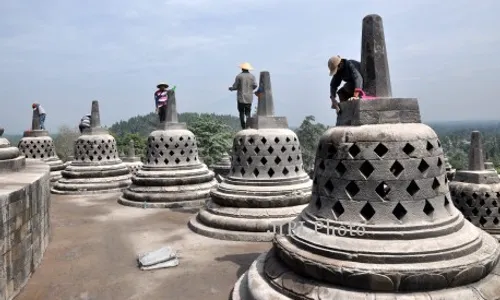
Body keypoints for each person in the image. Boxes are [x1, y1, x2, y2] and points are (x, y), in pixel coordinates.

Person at [229, 62, 257, 129]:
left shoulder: (239, 76)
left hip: (241, 97)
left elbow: (235, 86)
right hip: (249, 97)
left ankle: (243, 126)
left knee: (241, 112)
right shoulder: (252, 76)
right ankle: (248, 125)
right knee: (248, 112)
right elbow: (255, 85)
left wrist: (231, 88)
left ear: (242, 68)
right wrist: (250, 89)